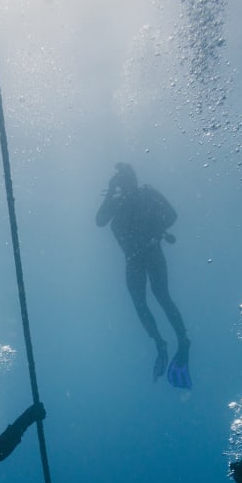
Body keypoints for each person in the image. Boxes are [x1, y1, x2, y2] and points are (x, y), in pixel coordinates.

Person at [95, 162, 191, 388]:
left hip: (151, 252)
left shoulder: (147, 193)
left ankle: (183, 340)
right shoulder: (116, 202)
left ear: (134, 180)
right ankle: (159, 342)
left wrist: (155, 232)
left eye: (127, 179)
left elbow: (172, 215)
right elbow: (99, 221)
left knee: (161, 296)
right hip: (133, 259)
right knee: (140, 303)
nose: (126, 184)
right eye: (122, 181)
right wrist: (110, 191)